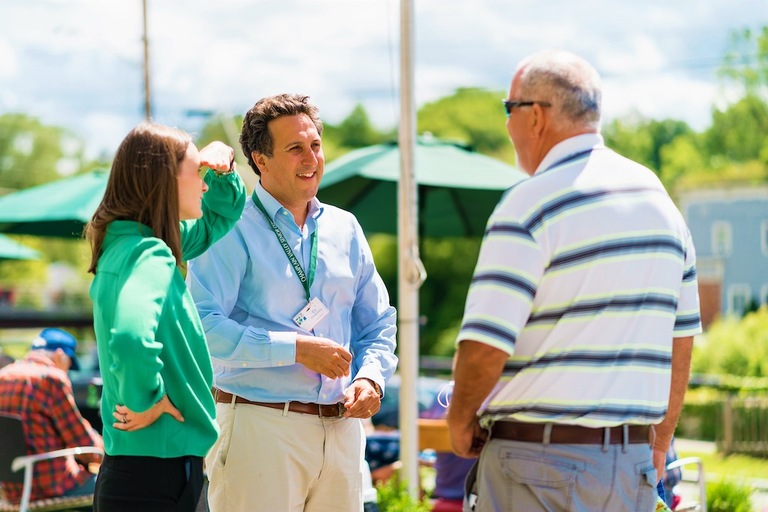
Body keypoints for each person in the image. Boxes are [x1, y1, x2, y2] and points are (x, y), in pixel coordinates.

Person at [446, 49, 702, 512]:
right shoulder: (662, 204)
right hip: (632, 470)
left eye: (509, 109)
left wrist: (460, 420)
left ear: (536, 116)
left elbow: (485, 345)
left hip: (535, 466)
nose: (507, 126)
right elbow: (680, 339)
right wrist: (659, 442)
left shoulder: (528, 203)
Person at [187, 93, 398, 512]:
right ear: (260, 160)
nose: (311, 158)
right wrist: (297, 349)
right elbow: (203, 327)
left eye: (315, 145)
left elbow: (378, 323)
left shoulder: (346, 228)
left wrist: (371, 378)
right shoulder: (230, 228)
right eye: (295, 148)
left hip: (343, 431)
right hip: (261, 427)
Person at [86, 122, 246, 511]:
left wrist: (221, 164)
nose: (203, 186)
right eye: (196, 174)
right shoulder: (150, 253)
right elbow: (129, 338)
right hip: (158, 471)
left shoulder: (127, 244)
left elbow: (218, 219)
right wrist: (149, 400)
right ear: (164, 180)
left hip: (138, 469)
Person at [0, 328, 103, 506]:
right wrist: (108, 452)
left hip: (10, 489)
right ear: (60, 355)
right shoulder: (52, 378)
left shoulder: (4, 375)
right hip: (51, 486)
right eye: (69, 364)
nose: (68, 370)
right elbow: (83, 442)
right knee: (112, 489)